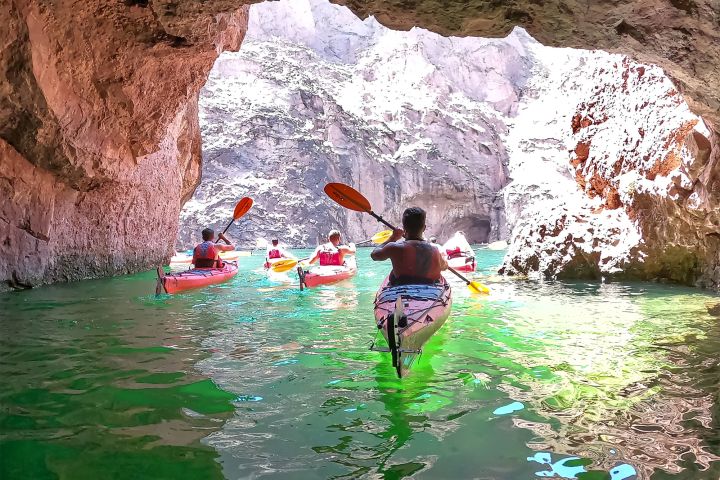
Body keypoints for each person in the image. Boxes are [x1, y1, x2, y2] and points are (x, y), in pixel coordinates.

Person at [370, 207, 448, 285]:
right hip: (430, 292)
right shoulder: (435, 250)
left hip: (401, 291)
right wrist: (443, 259)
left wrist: (393, 237)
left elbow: (374, 255)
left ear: (404, 228)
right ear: (424, 228)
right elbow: (444, 267)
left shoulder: (393, 248)